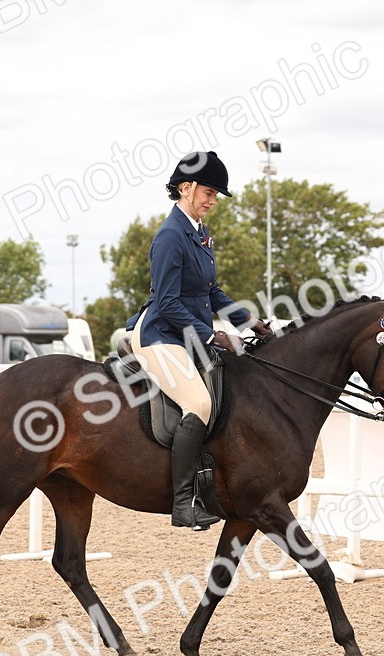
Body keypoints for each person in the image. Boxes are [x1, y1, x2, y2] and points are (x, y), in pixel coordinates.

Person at [125, 151, 273, 530]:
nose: (212, 201)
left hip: (185, 331)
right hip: (160, 333)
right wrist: (211, 333)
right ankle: (182, 502)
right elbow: (167, 302)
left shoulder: (201, 234)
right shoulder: (171, 236)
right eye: (208, 192)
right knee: (199, 402)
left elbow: (213, 292)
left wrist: (250, 321)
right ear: (186, 187)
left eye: (215, 195)